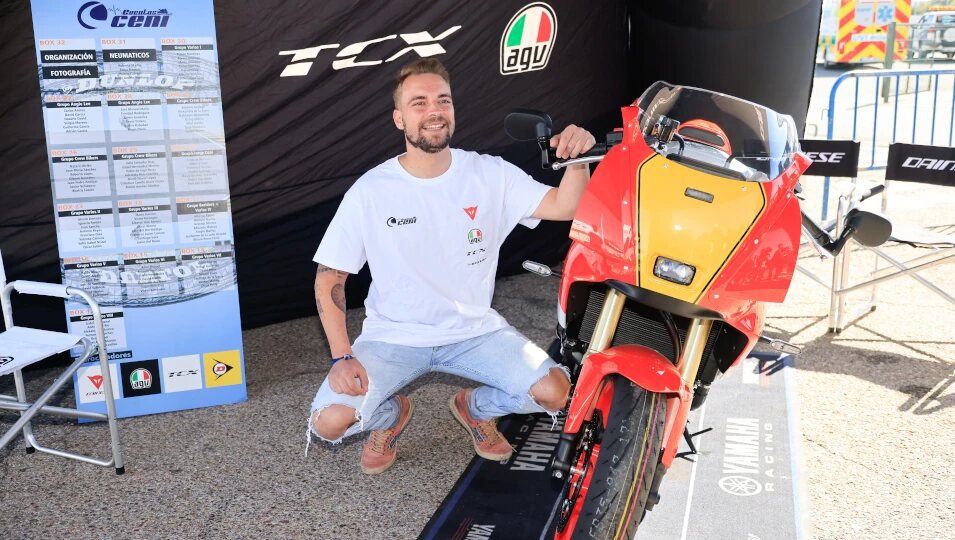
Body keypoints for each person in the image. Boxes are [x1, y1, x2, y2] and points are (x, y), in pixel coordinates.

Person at [308, 58, 596, 474]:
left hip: (474, 331)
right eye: (419, 103)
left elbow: (566, 205)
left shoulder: (489, 173)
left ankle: (476, 408)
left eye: (442, 100)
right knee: (330, 424)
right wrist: (340, 357)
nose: (434, 111)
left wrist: (577, 157)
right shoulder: (372, 190)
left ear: (454, 110)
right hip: (394, 336)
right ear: (399, 118)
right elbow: (330, 278)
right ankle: (389, 416)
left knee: (553, 391)